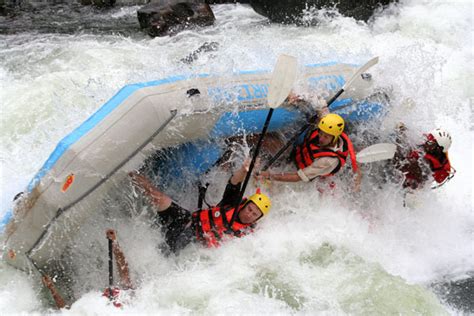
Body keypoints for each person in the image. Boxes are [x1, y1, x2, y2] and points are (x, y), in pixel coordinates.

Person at [130, 160, 271, 254]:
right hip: (189, 220)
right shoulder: (232, 204)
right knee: (159, 198)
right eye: (250, 209)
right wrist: (244, 170)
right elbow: (234, 182)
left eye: (254, 215)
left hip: (189, 241)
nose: (249, 214)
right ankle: (131, 172)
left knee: (163, 252)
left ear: (257, 219)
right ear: (245, 205)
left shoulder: (246, 236)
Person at [257, 113, 359, 186]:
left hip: (302, 174)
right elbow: (321, 108)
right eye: (321, 133)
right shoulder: (326, 124)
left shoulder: (328, 161)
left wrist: (270, 176)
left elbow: (298, 177)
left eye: (326, 137)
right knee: (265, 139)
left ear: (335, 138)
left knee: (273, 183)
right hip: (299, 151)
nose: (321, 138)